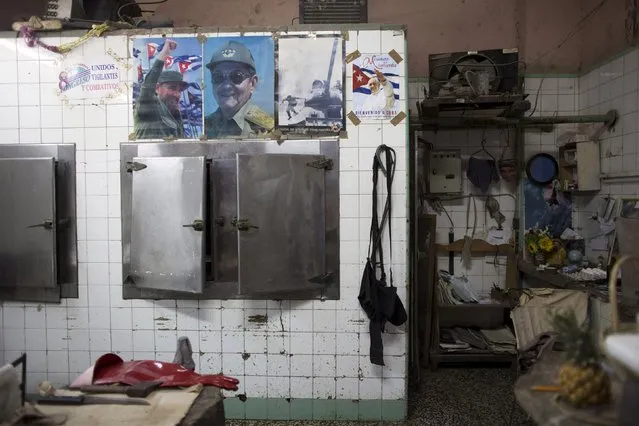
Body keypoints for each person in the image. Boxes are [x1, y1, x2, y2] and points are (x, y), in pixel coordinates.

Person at [204, 40, 274, 138]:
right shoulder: (204, 126)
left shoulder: (268, 129)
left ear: (253, 83)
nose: (226, 85)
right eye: (218, 77)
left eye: (236, 76)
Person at [133, 40, 189, 140]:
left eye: (179, 90)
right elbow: (148, 85)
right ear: (157, 88)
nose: (176, 94)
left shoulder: (176, 115)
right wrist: (165, 53)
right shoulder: (150, 105)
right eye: (172, 88)